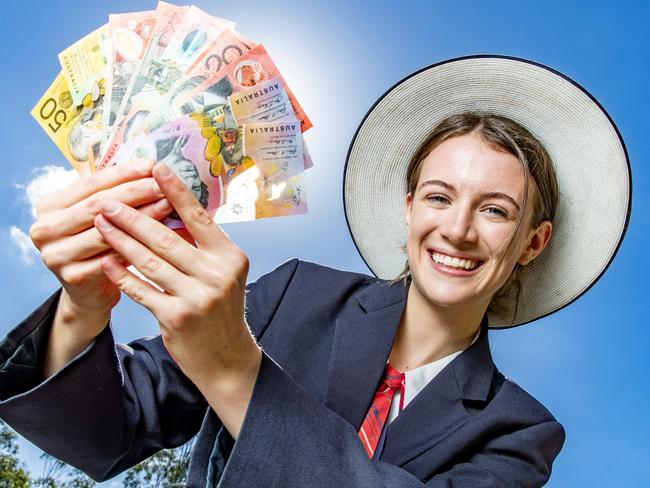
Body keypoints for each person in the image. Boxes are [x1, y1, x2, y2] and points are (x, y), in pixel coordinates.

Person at [0, 56, 630, 487]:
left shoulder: (519, 430)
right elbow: (105, 436)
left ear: (531, 243)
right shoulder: (295, 295)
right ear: (409, 209)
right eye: (438, 197)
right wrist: (84, 308)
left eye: (495, 211)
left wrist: (234, 371)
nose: (458, 230)